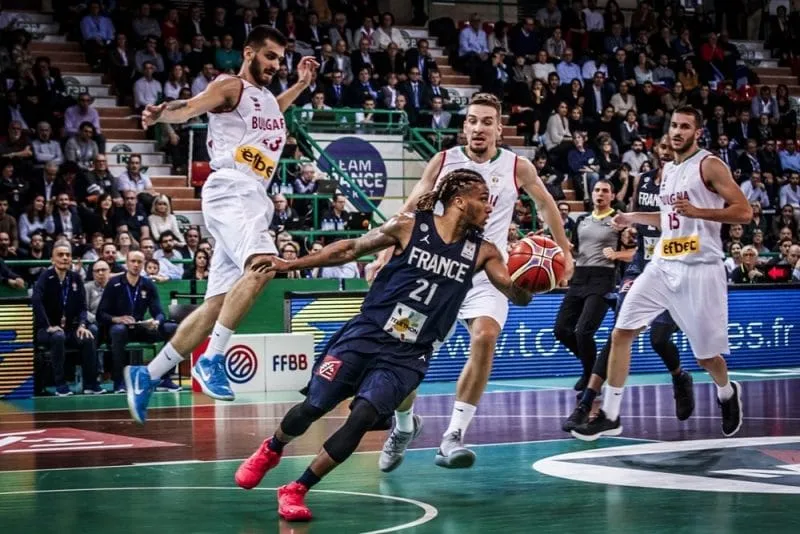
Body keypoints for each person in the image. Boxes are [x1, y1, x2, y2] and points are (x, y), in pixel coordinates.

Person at [233, 169, 532, 521]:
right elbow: (350, 248)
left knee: (362, 418)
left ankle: (297, 488)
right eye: (483, 198)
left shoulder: (484, 252)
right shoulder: (409, 225)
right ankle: (272, 448)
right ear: (459, 201)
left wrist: (532, 280)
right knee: (314, 406)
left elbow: (513, 291)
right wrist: (290, 263)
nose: (490, 206)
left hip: (409, 353)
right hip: (367, 332)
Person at [368, 93, 574, 470]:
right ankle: (404, 426)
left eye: (487, 122)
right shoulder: (443, 161)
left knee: (485, 336)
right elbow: (412, 206)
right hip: (435, 272)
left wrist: (565, 251)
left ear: (499, 128)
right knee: (401, 355)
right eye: (473, 121)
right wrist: (384, 252)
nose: (479, 128)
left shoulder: (517, 166)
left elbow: (546, 204)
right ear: (464, 126)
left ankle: (453, 435)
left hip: (486, 272)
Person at [123, 26, 319, 423]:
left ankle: (148, 374)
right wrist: (163, 114)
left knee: (216, 304)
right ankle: (212, 359)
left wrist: (300, 85)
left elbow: (273, 111)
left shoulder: (266, 99)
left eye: (280, 59)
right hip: (233, 188)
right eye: (269, 56)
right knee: (263, 265)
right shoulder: (231, 86)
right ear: (248, 53)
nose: (275, 65)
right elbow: (191, 106)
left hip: (252, 197)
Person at [572, 106, 752, 441]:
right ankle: (610, 413)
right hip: (663, 264)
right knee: (622, 331)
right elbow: (669, 218)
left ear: (698, 132)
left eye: (685, 126)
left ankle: (727, 391)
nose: (678, 132)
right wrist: (633, 217)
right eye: (674, 126)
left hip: (700, 269)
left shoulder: (710, 164)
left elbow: (744, 212)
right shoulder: (669, 168)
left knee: (706, 356)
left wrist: (698, 211)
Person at [562, 136, 694, 431]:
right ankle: (588, 403)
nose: (667, 151)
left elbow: (690, 229)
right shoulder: (644, 180)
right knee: (618, 333)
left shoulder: (687, 186)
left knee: (659, 340)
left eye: (673, 147)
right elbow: (638, 221)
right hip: (641, 267)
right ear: (657, 151)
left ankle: (679, 376)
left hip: (676, 267)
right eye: (663, 147)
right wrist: (628, 226)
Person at [553, 179, 620, 392]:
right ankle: (594, 369)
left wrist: (618, 255)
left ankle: (591, 378)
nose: (600, 193)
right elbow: (575, 250)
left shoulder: (619, 220)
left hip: (603, 278)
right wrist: (566, 249)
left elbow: (632, 249)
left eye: (605, 190)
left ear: (612, 196)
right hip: (579, 277)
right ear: (591, 194)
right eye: (597, 190)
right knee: (561, 330)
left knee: (583, 332)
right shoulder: (581, 219)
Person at [32, 240, 103, 396]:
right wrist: (48, 326)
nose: (64, 258)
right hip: (46, 330)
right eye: (60, 255)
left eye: (68, 255)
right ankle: (60, 385)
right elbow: (36, 301)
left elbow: (82, 307)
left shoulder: (75, 278)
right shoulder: (45, 277)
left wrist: (82, 325)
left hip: (69, 328)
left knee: (88, 335)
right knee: (58, 336)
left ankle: (90, 384)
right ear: (52, 259)